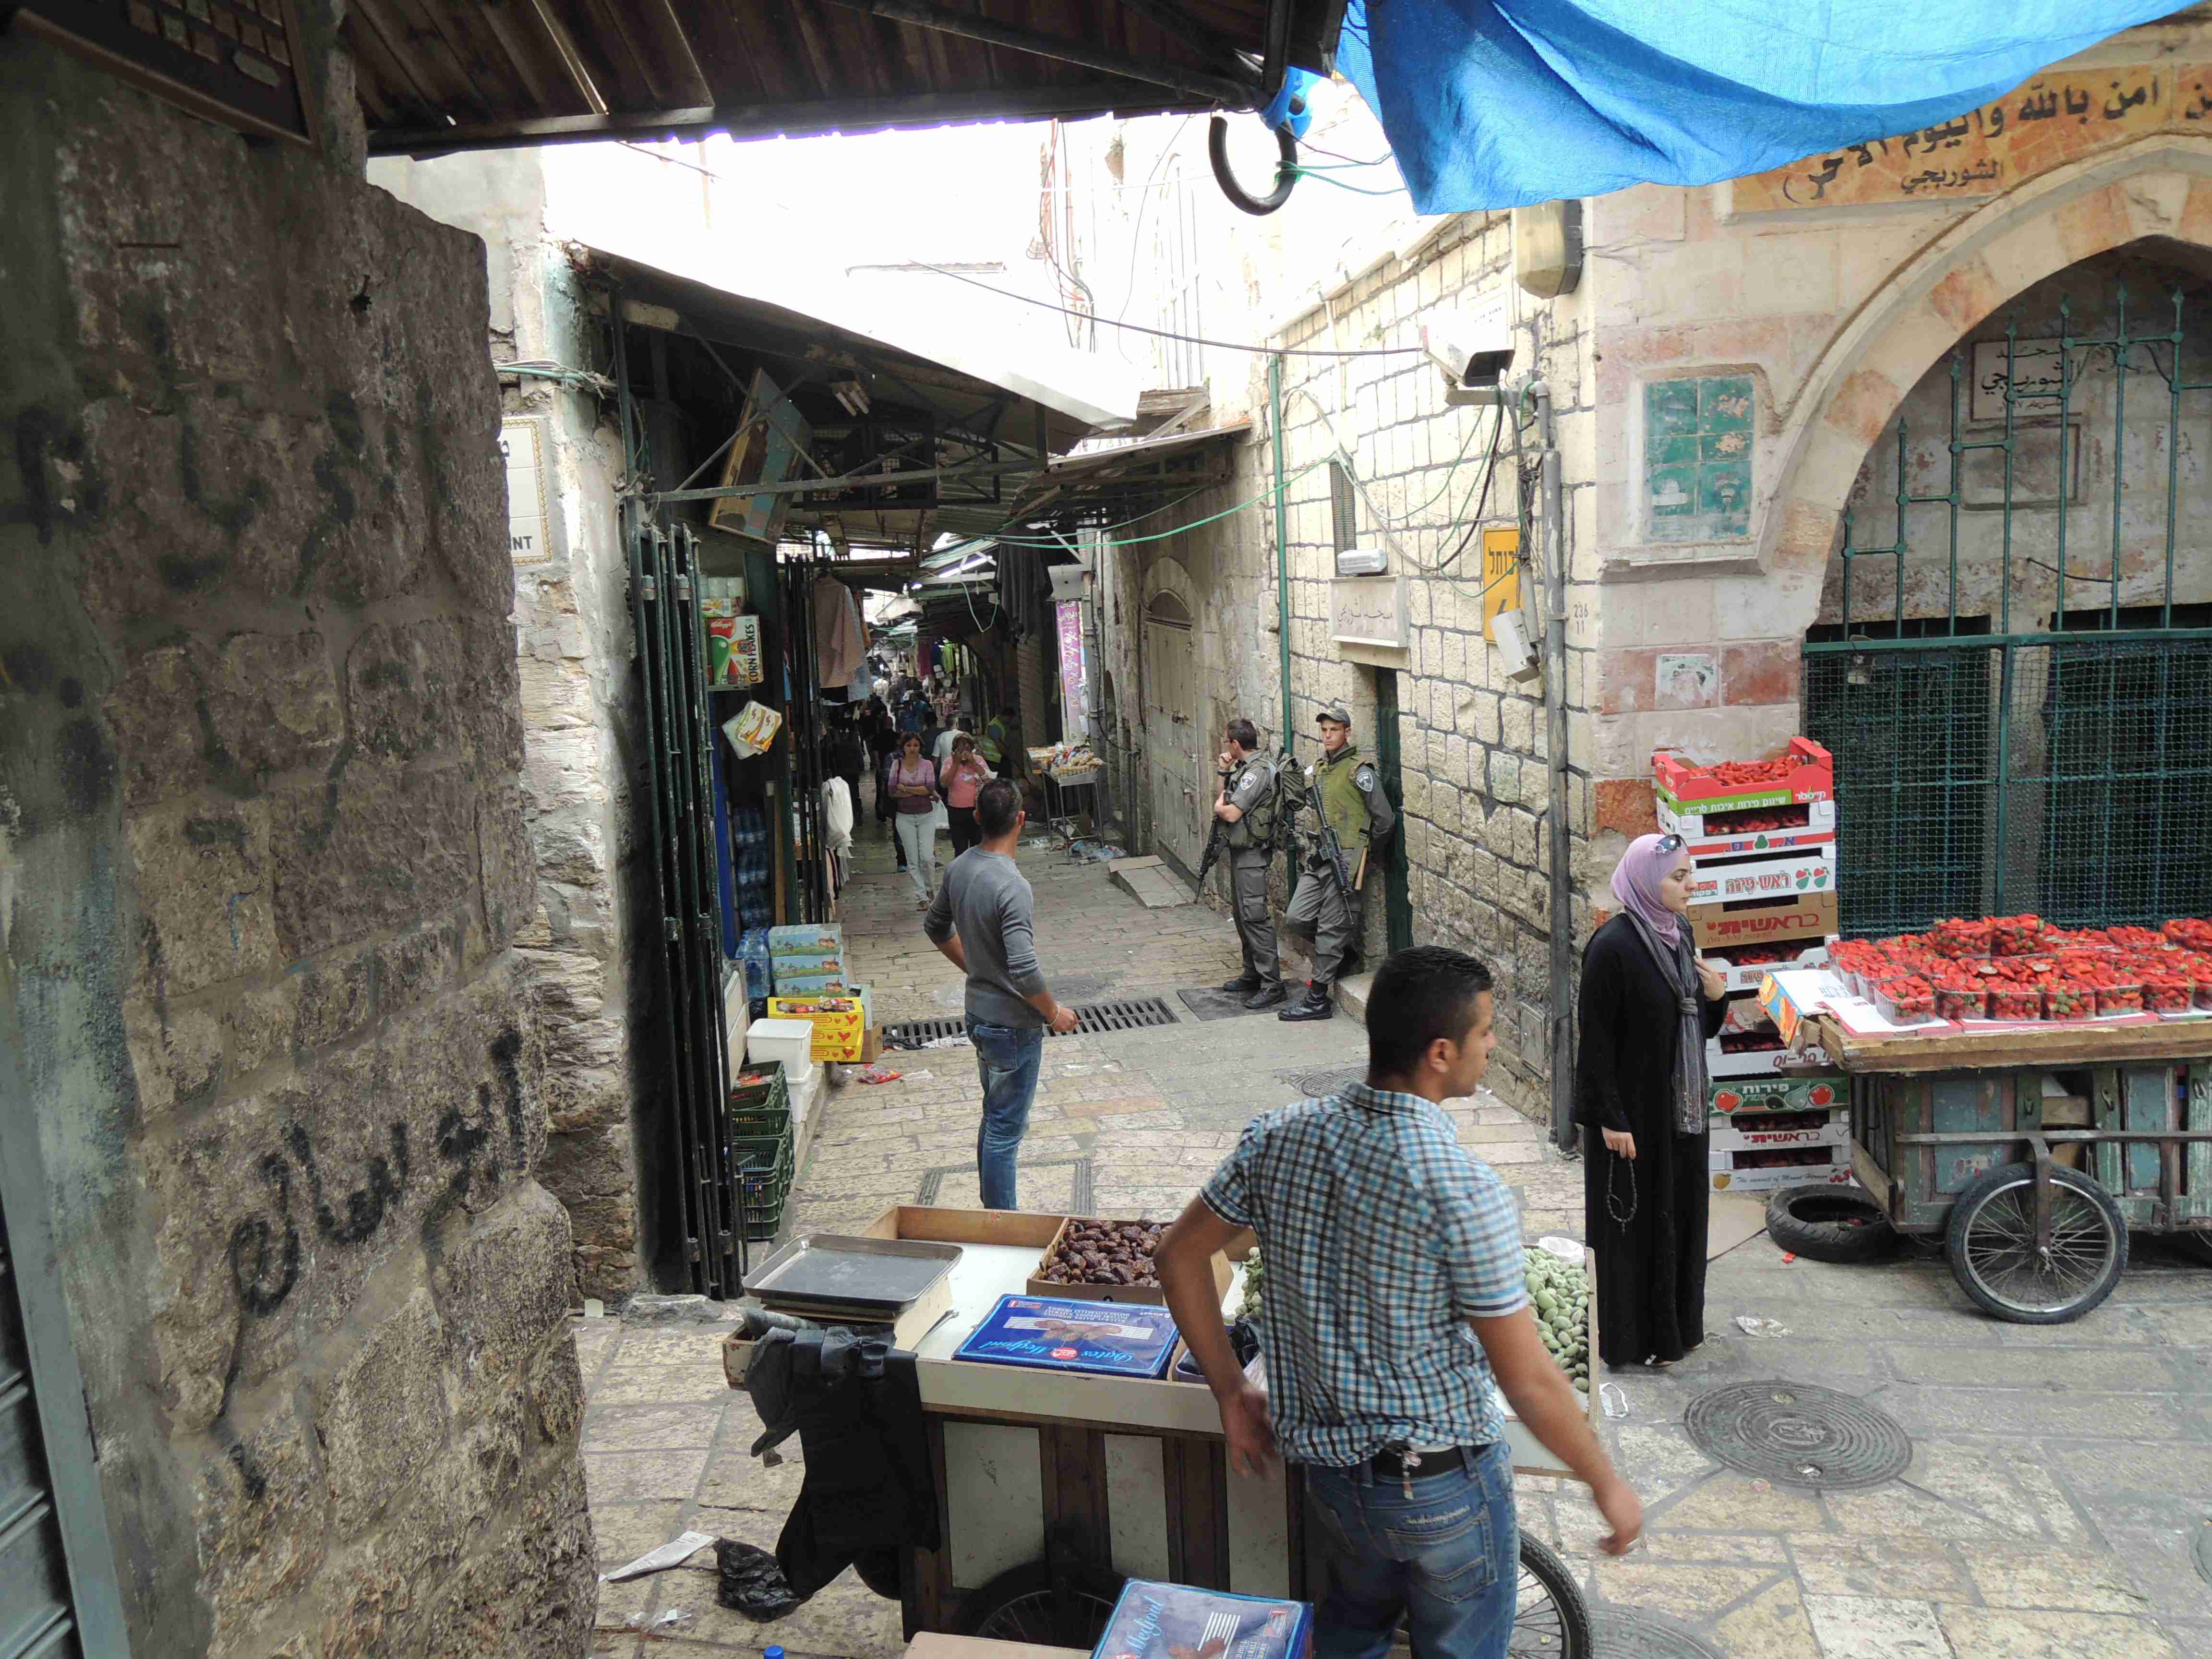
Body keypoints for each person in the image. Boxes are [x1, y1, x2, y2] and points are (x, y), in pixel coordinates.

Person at [1156, 947, 1642, 1658]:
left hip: (1335, 1486)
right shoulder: (1462, 1188)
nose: (1495, 1045)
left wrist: (1231, 1392)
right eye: (1486, 1033)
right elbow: (1529, 1379)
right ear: (1441, 1053)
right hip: (1442, 1490)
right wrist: (1605, 1480)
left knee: (1353, 1634)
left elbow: (1176, 1255)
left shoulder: (1278, 1141)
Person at [1576, 833, 1728, 1370]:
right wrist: (1609, 1119)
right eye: (1678, 877)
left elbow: (1692, 1025)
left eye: (1690, 873)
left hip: (1680, 1114)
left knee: (1680, 1217)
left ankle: (1676, 1330)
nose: (1691, 885)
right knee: (1631, 1229)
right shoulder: (1612, 947)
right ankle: (1626, 1340)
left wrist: (1717, 999)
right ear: (1645, 882)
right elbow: (1594, 1041)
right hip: (1633, 1117)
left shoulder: (1679, 934)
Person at [925, 778, 1080, 1209]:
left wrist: (976, 969)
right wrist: (1055, 1014)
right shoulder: (1012, 885)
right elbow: (1025, 969)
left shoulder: (959, 868)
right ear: (1022, 821)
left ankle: (992, 1215)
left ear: (976, 818)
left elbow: (935, 927)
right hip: (1013, 1026)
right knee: (1005, 1128)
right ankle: (1002, 1226)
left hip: (979, 1015)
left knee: (995, 1118)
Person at [1280, 702, 1396, 1022]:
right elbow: (1304, 800)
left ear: (1347, 732)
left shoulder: (1361, 771)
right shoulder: (1320, 767)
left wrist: (1366, 852)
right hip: (1321, 856)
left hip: (1346, 858)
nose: (1328, 736)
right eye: (1325, 731)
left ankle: (1317, 998)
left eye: (1334, 730)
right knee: (1296, 918)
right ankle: (1341, 954)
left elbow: (1385, 819)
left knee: (1333, 924)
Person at [1212, 719, 1284, 1010]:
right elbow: (1225, 798)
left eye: (1228, 742)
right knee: (1242, 916)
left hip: (1253, 854)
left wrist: (1219, 807)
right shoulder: (1242, 770)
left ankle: (1272, 984)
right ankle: (1252, 973)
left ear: (1235, 745)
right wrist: (1223, 772)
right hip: (1241, 852)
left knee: (1255, 917)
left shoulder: (1256, 773)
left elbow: (1228, 812)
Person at [887, 733, 939, 904]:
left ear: (920, 747)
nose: (912, 749)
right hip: (904, 817)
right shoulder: (897, 765)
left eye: (916, 745)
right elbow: (892, 791)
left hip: (926, 815)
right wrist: (918, 789)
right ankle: (921, 896)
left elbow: (930, 789)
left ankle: (931, 889)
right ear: (903, 747)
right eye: (909, 745)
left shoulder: (927, 765)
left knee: (927, 857)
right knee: (912, 859)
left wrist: (907, 789)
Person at [939, 734, 995, 856]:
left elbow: (989, 781)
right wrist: (955, 764)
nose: (964, 752)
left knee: (978, 848)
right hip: (956, 811)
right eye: (961, 749)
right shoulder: (949, 762)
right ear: (955, 750)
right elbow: (944, 784)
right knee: (960, 849)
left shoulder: (978, 760)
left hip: (977, 810)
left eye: (967, 749)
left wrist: (974, 763)